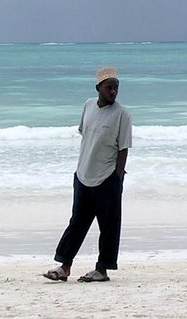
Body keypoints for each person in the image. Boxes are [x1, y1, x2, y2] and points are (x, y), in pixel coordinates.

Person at [43, 67, 132, 283]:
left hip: (107, 178)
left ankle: (102, 270)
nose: (114, 91)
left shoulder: (122, 114)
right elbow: (86, 136)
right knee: (77, 222)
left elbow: (123, 149)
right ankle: (65, 266)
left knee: (108, 226)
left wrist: (117, 178)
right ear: (98, 88)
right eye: (109, 87)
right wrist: (80, 169)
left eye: (116, 88)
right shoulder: (88, 106)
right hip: (83, 175)